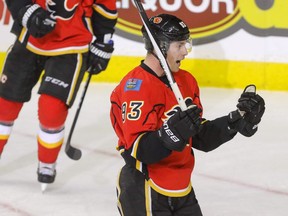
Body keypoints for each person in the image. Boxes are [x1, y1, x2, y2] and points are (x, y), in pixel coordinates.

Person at [110, 14, 265, 215]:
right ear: (161, 46)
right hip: (144, 187)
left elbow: (199, 137)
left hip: (181, 187)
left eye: (186, 44)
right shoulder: (136, 87)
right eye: (180, 45)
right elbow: (140, 151)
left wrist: (234, 121)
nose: (185, 52)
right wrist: (171, 133)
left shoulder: (186, 81)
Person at [0, 0, 117, 190]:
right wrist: (25, 10)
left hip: (71, 46)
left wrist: (103, 43)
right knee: (4, 106)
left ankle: (47, 164)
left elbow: (105, 9)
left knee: (52, 108)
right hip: (29, 38)